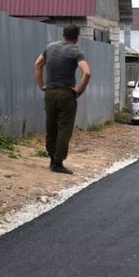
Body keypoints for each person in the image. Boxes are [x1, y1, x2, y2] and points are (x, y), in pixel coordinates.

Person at [34, 25, 91, 174]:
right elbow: (87, 73)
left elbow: (38, 64)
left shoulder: (50, 47)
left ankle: (52, 158)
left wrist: (42, 85)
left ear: (63, 34)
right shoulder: (75, 51)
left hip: (50, 92)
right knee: (64, 128)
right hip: (66, 94)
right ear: (77, 36)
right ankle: (58, 163)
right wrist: (79, 90)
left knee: (51, 127)